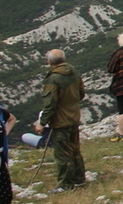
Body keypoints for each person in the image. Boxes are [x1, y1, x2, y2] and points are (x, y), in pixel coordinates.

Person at [32, 49, 86, 192]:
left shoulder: (53, 79)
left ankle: (65, 184)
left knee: (62, 153)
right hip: (74, 116)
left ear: (49, 62)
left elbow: (50, 104)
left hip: (61, 120)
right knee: (75, 149)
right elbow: (81, 94)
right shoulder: (73, 72)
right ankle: (79, 179)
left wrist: (41, 123)